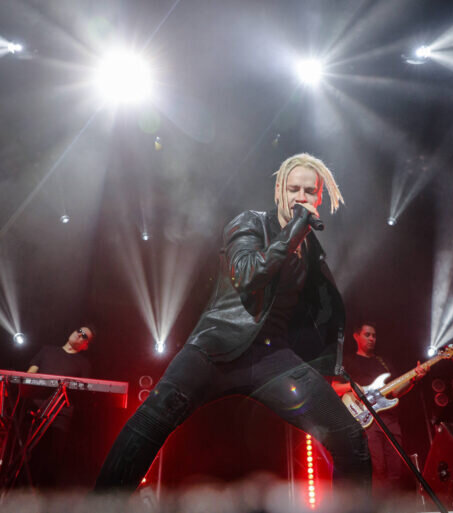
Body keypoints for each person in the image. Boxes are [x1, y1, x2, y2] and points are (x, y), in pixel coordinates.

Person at [95, 153, 371, 492]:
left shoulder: (312, 250)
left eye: (309, 191)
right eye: (293, 189)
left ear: (319, 197)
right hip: (218, 347)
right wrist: (295, 232)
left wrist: (330, 366)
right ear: (279, 192)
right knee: (150, 422)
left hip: (272, 359)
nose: (301, 197)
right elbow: (247, 274)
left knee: (349, 437)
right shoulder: (249, 223)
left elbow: (319, 315)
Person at [331, 322, 427, 494]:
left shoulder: (383, 362)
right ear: (356, 336)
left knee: (396, 471)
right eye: (367, 335)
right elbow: (334, 388)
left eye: (374, 335)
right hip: (367, 422)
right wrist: (351, 387)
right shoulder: (348, 361)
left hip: (390, 420)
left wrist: (414, 379)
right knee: (377, 470)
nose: (372, 339)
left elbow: (396, 391)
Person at [26, 326, 94, 489]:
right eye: (79, 330)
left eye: (84, 335)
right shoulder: (47, 350)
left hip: (60, 417)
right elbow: (28, 377)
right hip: (35, 412)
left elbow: (85, 392)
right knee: (28, 458)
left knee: (50, 462)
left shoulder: (83, 363)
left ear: (86, 345)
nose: (79, 334)